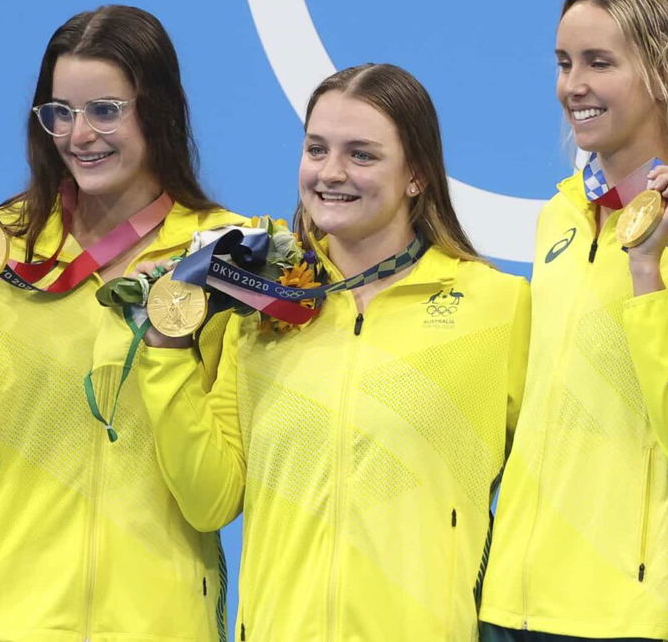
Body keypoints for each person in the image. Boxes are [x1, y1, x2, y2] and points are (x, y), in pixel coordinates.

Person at [136, 63, 531, 640]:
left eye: (362, 155)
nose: (331, 173)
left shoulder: (497, 306)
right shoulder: (258, 309)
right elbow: (211, 499)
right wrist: (166, 349)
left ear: (416, 174)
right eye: (316, 149)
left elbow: (562, 475)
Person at [0, 5, 245, 641]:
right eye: (59, 112)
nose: (79, 135)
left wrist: (168, 347)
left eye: (105, 110)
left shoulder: (219, 260)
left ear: (159, 109)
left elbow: (214, 501)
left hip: (157, 623)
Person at [479, 0, 668, 640]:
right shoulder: (560, 216)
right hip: (511, 603)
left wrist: (647, 269)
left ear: (666, 75)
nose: (571, 85)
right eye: (563, 63)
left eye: (598, 63)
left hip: (631, 616)